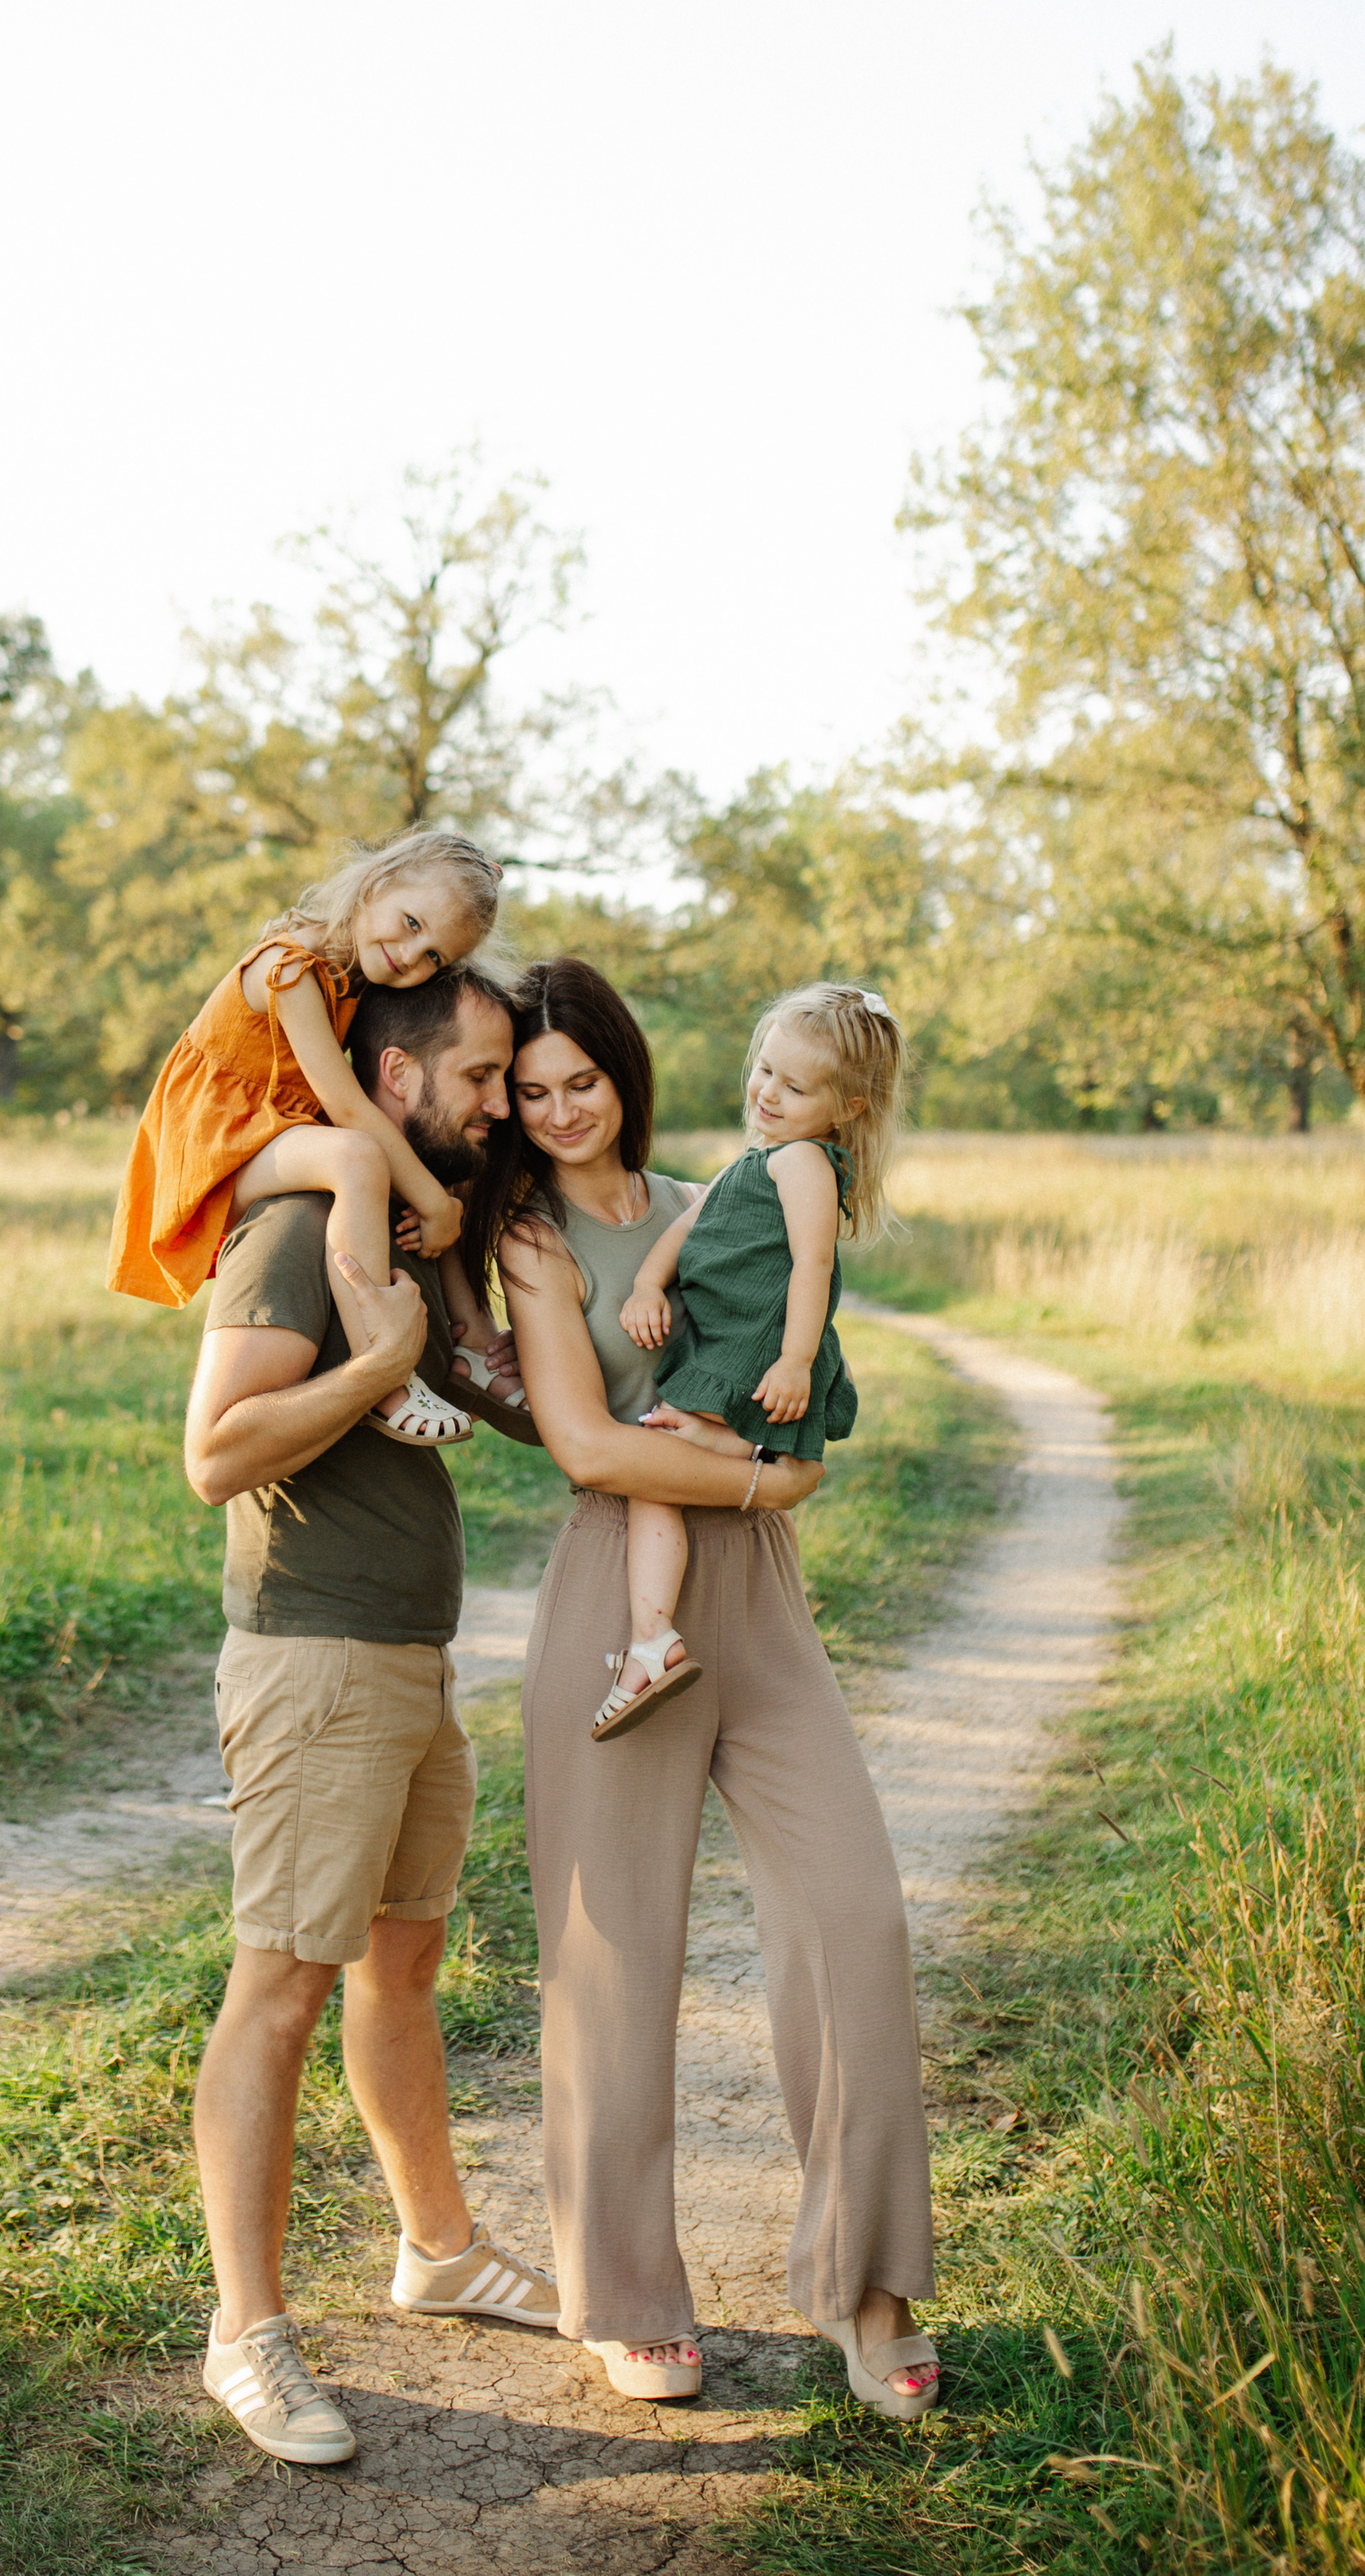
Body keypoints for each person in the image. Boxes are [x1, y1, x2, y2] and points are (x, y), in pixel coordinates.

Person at [457, 958, 941, 2418]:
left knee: (854, 1917)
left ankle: (867, 2287)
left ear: (627, 1073)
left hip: (763, 1606)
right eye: (529, 1093)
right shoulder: (534, 1240)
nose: (555, 1112)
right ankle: (628, 2292)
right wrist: (750, 1472)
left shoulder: (717, 1197)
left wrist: (767, 1467)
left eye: (580, 1082)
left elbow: (810, 1401)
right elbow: (592, 1451)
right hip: (625, 1595)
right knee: (614, 1960)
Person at [181, 959, 557, 2466]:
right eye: (475, 1076)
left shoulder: (405, 1227)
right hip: (313, 1666)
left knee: (400, 1966)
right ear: (393, 1079)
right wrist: (381, 1368)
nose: (494, 1101)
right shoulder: (290, 1232)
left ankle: (438, 2251)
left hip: (408, 1660)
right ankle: (245, 2336)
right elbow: (216, 1452)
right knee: (277, 1986)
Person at [108, 826, 516, 1444]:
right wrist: (434, 1205)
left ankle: (477, 1344)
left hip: (271, 1131)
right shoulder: (290, 967)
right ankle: (384, 1375)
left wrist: (438, 1197)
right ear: (376, 884)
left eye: (434, 955)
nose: (411, 957)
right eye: (410, 923)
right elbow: (348, 1106)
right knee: (358, 1156)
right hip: (218, 1144)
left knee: (423, 1166)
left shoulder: (354, 973)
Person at [595, 982, 908, 1741]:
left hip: (750, 1355)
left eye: (794, 1086)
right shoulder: (759, 1157)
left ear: (848, 1108)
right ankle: (652, 1637)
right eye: (765, 1069)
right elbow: (687, 1228)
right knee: (655, 1474)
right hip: (720, 1347)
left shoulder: (803, 1163)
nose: (766, 1091)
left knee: (651, 1470)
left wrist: (798, 1360)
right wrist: (646, 1284)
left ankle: (651, 1638)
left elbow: (811, 1265)